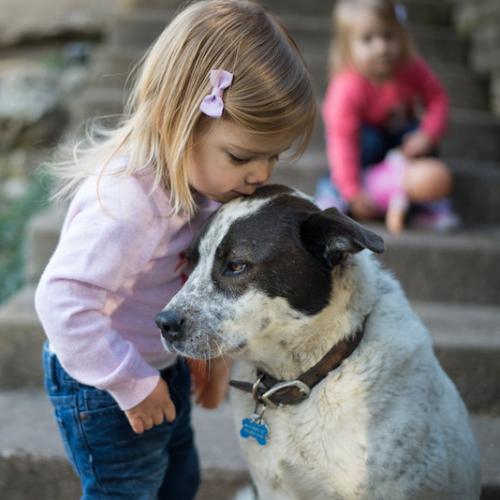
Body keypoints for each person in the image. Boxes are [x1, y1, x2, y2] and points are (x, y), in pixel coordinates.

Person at [34, 1, 316, 498]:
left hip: (157, 365)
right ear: (179, 122)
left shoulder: (207, 188)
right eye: (242, 156)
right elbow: (61, 303)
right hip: (103, 383)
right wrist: (132, 384)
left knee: (178, 480)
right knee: (127, 489)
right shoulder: (129, 206)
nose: (262, 175)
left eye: (272, 156)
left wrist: (206, 358)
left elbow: (184, 282)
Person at [315, 0, 458, 234]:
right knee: (366, 140)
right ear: (347, 46)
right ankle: (333, 193)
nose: (381, 47)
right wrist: (352, 189)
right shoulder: (346, 86)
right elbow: (342, 140)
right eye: (368, 39)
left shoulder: (410, 67)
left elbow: (438, 99)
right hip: (363, 152)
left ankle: (424, 203)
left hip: (402, 149)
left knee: (418, 137)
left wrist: (427, 134)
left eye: (388, 36)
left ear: (401, 35)